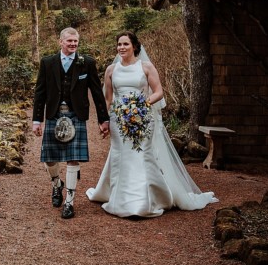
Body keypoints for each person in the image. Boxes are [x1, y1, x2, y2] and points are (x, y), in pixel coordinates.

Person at [86, 30, 218, 218]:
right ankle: (118, 197)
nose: (121, 47)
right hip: (119, 119)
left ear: (135, 46)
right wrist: (104, 120)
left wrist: (140, 105)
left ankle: (144, 200)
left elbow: (158, 92)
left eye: (125, 44)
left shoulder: (146, 67)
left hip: (142, 117)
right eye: (119, 44)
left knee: (142, 156)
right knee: (120, 154)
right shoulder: (111, 70)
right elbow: (107, 99)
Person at [33, 27, 110, 219]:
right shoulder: (48, 63)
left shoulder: (87, 63)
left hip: (76, 115)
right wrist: (36, 120)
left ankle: (69, 201)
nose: (73, 44)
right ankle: (57, 184)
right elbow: (40, 92)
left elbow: (97, 93)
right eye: (69, 41)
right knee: (50, 158)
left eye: (76, 41)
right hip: (53, 114)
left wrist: (103, 119)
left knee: (72, 158)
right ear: (60, 42)